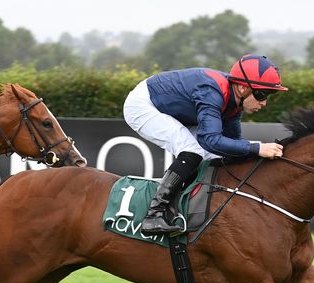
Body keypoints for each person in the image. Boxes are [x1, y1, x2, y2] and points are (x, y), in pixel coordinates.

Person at [123, 54, 288, 234]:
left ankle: (187, 209)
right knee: (192, 151)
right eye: (261, 94)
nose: (264, 103)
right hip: (143, 105)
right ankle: (153, 216)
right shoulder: (211, 91)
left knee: (219, 154)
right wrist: (257, 148)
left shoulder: (234, 104)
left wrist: (254, 150)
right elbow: (209, 140)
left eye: (268, 96)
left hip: (172, 110)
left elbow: (232, 146)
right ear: (242, 87)